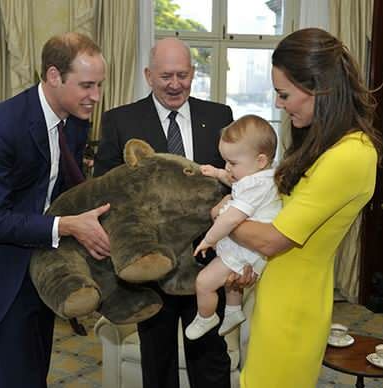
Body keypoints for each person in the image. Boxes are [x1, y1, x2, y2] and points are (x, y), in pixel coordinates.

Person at [0, 32, 111, 388]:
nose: (96, 97)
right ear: (54, 76)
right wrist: (66, 226)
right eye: (87, 85)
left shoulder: (74, 121)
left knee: (34, 378)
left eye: (100, 85)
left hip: (36, 274)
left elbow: (57, 191)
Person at [226, 28, 383, 387]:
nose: (278, 104)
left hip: (294, 308)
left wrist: (223, 215)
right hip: (276, 293)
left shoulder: (351, 154)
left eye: (284, 94)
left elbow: (272, 240)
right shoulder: (326, 145)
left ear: (319, 87)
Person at [94, 37, 233, 388]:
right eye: (166, 76)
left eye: (183, 75)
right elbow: (106, 192)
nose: (175, 84)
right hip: (151, 266)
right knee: (157, 360)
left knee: (210, 356)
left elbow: (236, 185)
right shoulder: (119, 121)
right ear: (148, 75)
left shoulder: (219, 116)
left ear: (193, 73)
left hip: (206, 260)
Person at [185, 115, 281, 340]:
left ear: (260, 160)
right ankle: (233, 311)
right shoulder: (262, 177)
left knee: (204, 282)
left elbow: (230, 220)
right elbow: (236, 182)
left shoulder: (255, 185)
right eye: (225, 162)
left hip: (248, 247)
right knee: (231, 282)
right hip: (252, 248)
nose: (228, 167)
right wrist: (218, 173)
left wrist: (208, 239)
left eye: (233, 163)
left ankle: (206, 317)